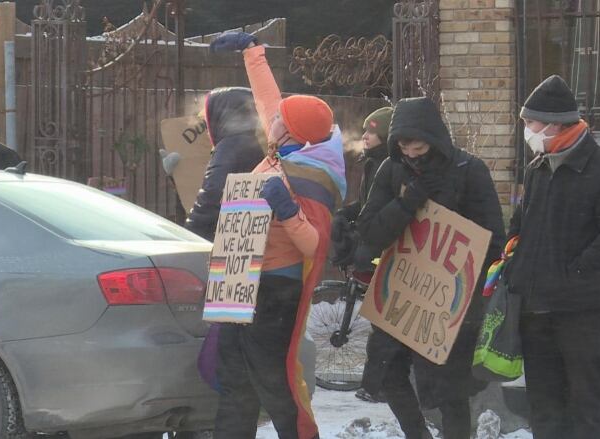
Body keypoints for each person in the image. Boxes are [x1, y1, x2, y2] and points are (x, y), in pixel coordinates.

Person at [209, 31, 347, 439]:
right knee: (233, 376)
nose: (267, 119)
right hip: (242, 278)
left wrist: (286, 211)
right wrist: (252, 50)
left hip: (274, 288)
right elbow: (272, 99)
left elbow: (315, 245)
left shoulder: (309, 175)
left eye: (276, 121)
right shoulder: (285, 148)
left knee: (271, 379)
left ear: (290, 134)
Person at [356, 96, 505, 439]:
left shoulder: (469, 171)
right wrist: (409, 200)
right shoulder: (391, 170)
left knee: (449, 390)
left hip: (450, 300)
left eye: (417, 143)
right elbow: (370, 230)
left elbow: (492, 239)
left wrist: (466, 285)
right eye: (402, 144)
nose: (410, 151)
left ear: (434, 136)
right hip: (401, 292)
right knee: (387, 372)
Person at [506, 74, 600, 439]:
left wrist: (573, 272)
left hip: (579, 312)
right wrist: (513, 260)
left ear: (553, 123)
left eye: (530, 123)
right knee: (543, 406)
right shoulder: (536, 168)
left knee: (584, 404)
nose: (526, 131)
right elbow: (521, 225)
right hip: (534, 310)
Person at [330, 106, 393, 404]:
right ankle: (378, 383)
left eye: (371, 131)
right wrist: (345, 213)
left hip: (383, 252)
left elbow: (378, 210)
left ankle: (379, 383)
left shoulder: (387, 165)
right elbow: (367, 203)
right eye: (364, 130)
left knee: (384, 319)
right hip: (373, 249)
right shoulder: (373, 163)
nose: (365, 136)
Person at [160, 87, 265, 241]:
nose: (207, 131)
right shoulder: (253, 144)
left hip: (222, 237)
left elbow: (212, 194)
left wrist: (190, 235)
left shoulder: (228, 148)